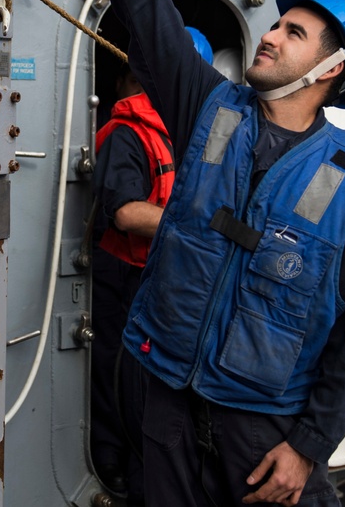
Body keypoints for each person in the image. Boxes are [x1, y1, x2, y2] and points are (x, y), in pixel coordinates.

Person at [82, 0, 345, 505]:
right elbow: (149, 13)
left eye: (295, 33)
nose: (272, 36)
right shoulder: (210, 110)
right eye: (276, 24)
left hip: (261, 427)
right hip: (163, 396)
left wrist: (310, 449)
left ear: (330, 70)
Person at [90, 28, 213, 503]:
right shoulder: (128, 134)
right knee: (115, 372)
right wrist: (199, 229)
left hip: (172, 275)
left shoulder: (199, 135)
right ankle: (111, 456)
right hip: (126, 275)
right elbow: (125, 211)